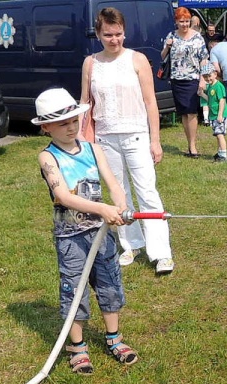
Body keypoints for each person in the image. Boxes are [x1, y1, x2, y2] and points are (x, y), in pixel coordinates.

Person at [33, 87, 139, 375]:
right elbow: (63, 197)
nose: (70, 128)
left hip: (101, 233)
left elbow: (113, 183)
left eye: (73, 121)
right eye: (61, 124)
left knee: (109, 284)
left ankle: (114, 338)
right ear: (46, 127)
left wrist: (120, 206)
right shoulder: (47, 158)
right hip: (71, 238)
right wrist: (103, 209)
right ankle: (77, 347)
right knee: (74, 290)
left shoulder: (93, 149)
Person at [80, 7, 174, 275]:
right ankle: (130, 244)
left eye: (118, 34)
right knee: (119, 194)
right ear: (98, 34)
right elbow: (85, 103)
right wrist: (82, 139)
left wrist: (155, 140)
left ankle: (161, 253)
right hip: (105, 139)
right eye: (108, 35)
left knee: (147, 193)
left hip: (136, 135)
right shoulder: (90, 63)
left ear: (124, 32)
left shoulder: (138, 59)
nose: (114, 40)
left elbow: (150, 102)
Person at [162, 7, 208, 158]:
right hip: (177, 80)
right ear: (176, 22)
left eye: (187, 21)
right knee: (183, 112)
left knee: (192, 112)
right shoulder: (171, 36)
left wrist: (203, 78)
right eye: (181, 21)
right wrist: (168, 46)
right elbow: (163, 57)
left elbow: (204, 59)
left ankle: (193, 146)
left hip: (193, 79)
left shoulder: (198, 38)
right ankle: (189, 144)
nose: (184, 24)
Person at [198, 63, 227, 162]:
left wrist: (220, 114)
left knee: (220, 134)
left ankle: (224, 155)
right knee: (217, 134)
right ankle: (220, 153)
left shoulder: (218, 86)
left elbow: (222, 100)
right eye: (205, 77)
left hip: (219, 115)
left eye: (209, 76)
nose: (208, 79)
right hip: (213, 115)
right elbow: (210, 100)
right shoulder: (210, 87)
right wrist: (202, 94)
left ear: (215, 74)